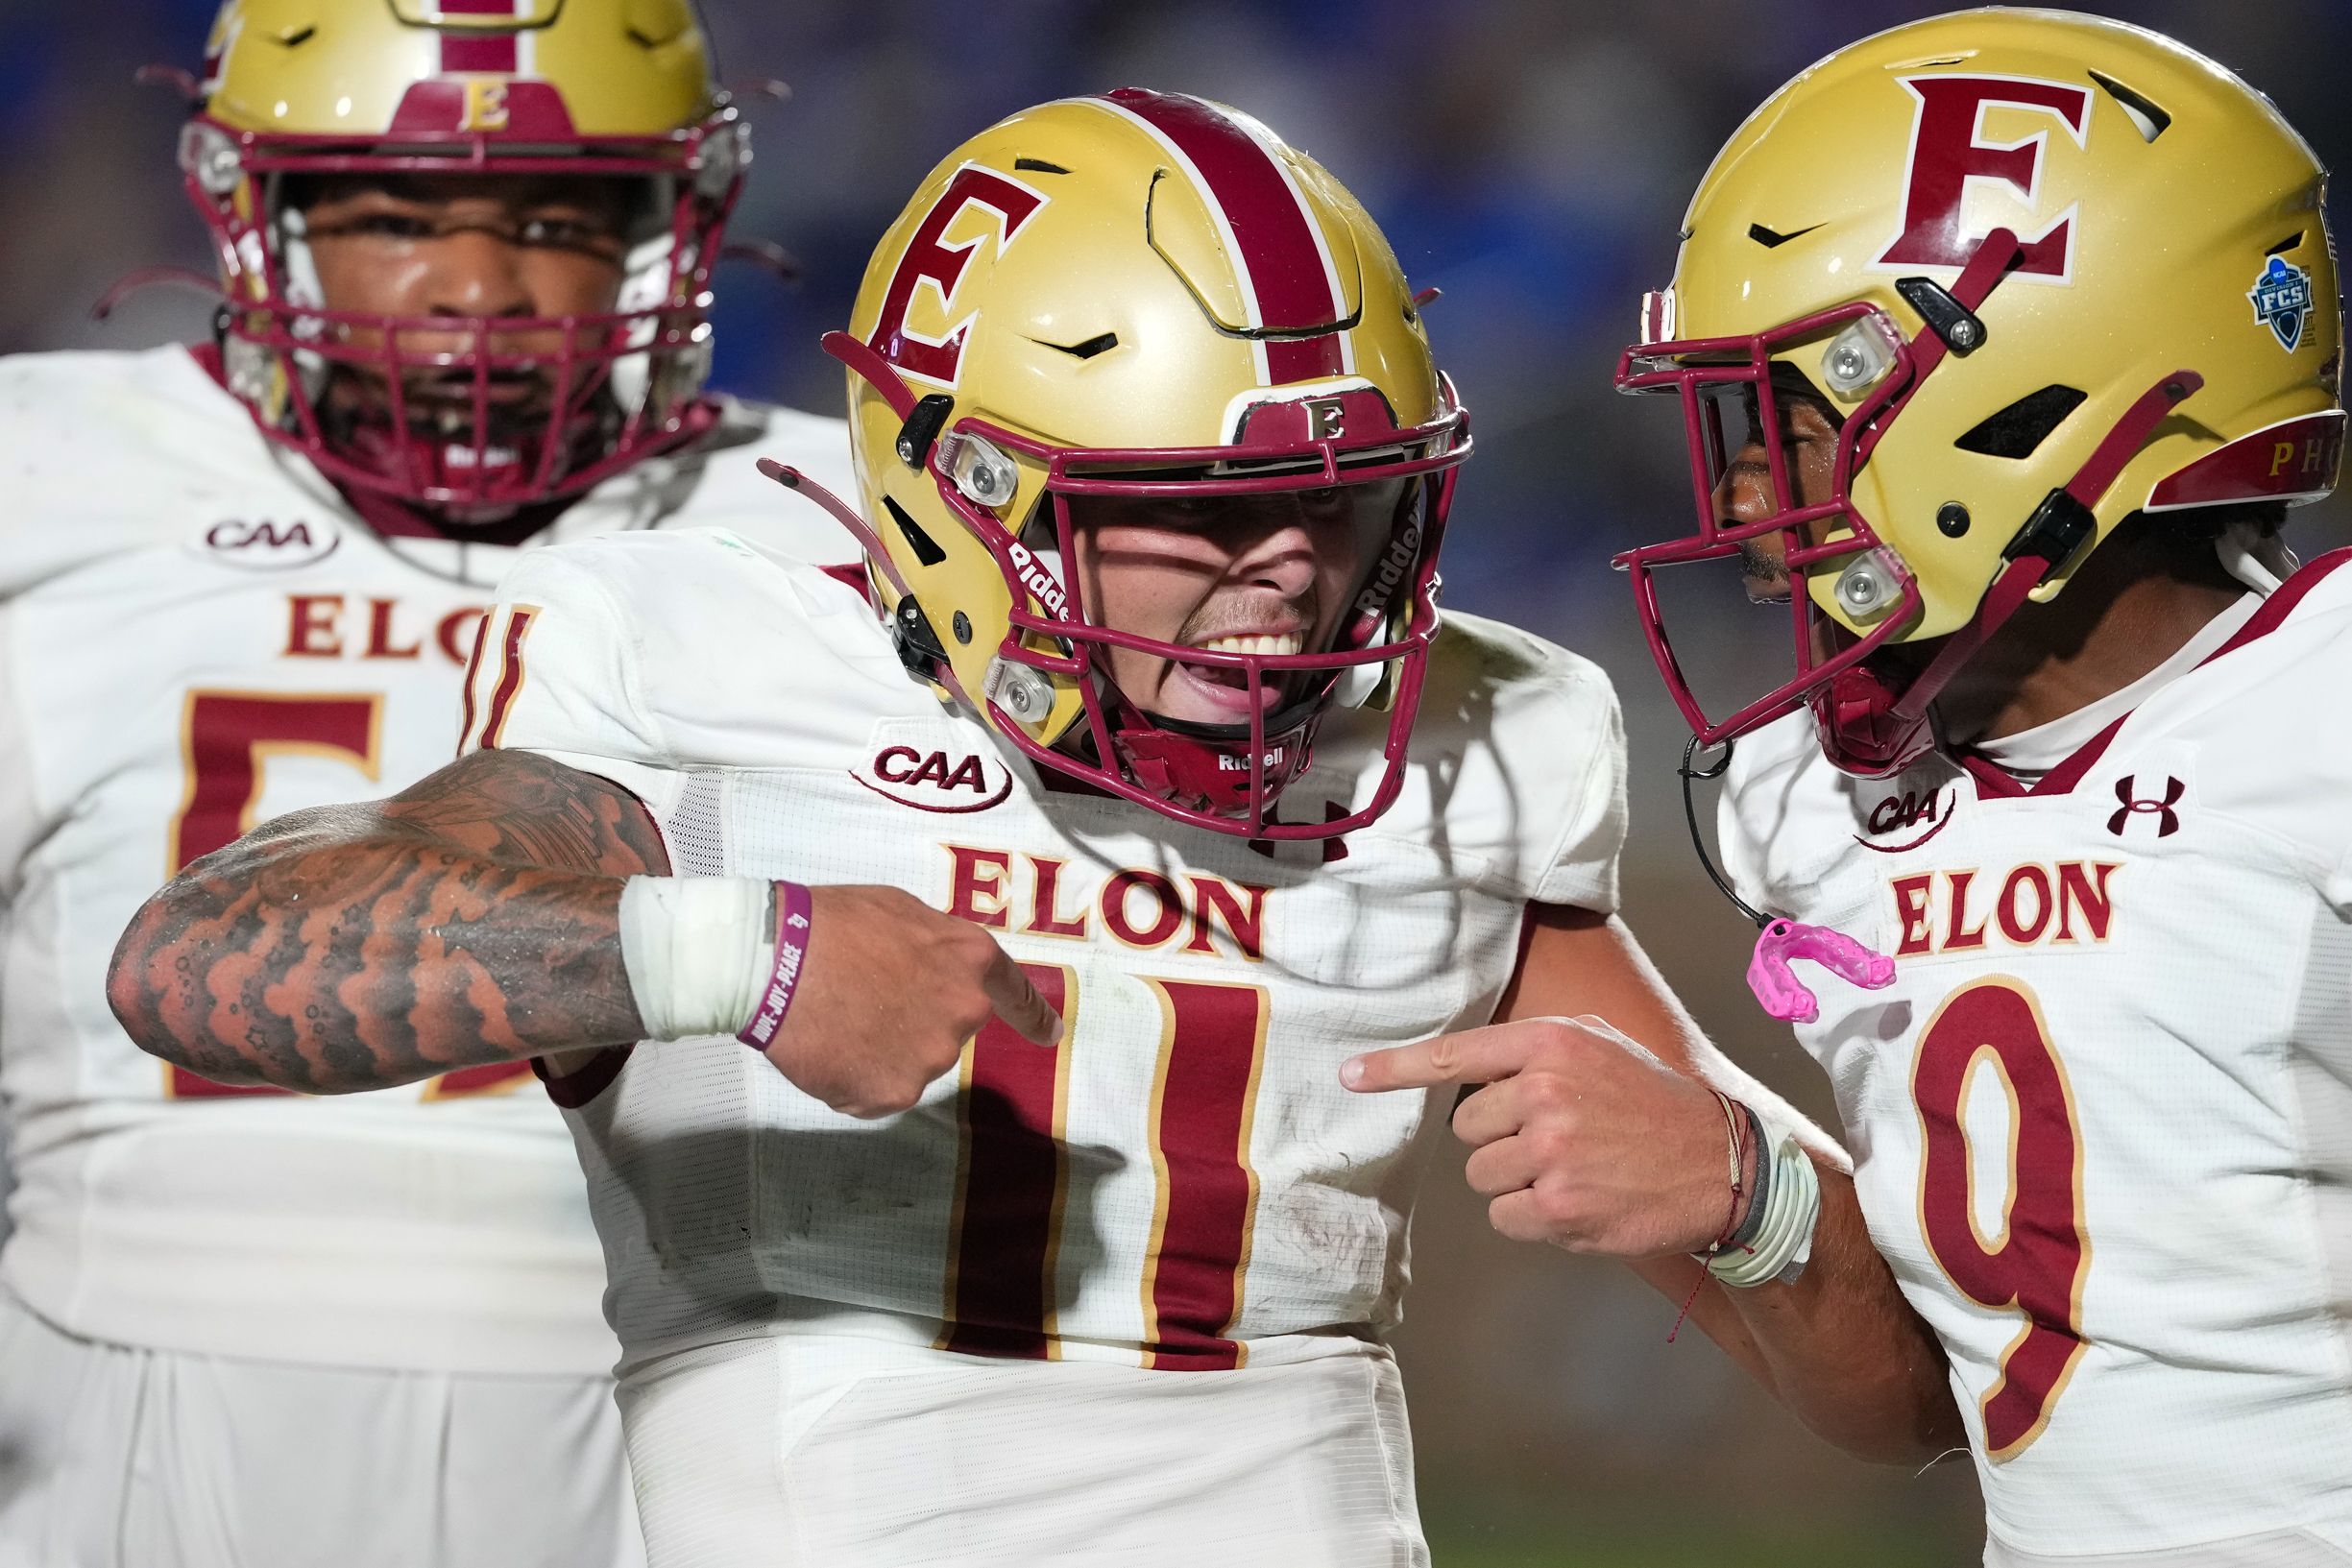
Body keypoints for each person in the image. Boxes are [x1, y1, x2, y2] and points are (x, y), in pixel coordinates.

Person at [110, 89, 1957, 1566]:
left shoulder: (1486, 738)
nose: (1288, 573)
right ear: (962, 496)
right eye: (1196, 509)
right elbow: (195, 962)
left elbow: (1895, 1409)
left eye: (1337, 499)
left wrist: (1758, 1194)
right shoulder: (702, 658)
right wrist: (725, 953)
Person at [1422, 10, 2347, 1566]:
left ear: (2031, 398)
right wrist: (1759, 1197)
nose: (1739, 493)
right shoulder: (1815, 791)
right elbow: (1923, 1397)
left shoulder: (2316, 708)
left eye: (1798, 420)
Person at [0, 2, 850, 1564]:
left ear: (667, 225)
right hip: (122, 1359)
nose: (477, 286)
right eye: (395, 218)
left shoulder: (845, 514)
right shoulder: (41, 470)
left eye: (554, 220)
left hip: (706, 1369)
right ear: (255, 215)